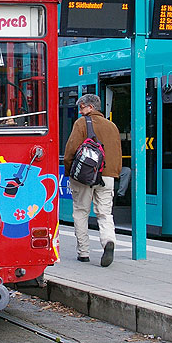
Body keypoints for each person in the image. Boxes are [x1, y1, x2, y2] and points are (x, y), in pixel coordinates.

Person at [63, 93, 122, 267]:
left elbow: (70, 150)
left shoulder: (81, 123)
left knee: (81, 212)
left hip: (85, 176)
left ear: (91, 107)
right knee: (104, 213)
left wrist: (69, 172)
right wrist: (113, 174)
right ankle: (108, 241)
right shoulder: (112, 126)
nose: (80, 112)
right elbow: (117, 153)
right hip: (108, 176)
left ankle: (83, 252)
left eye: (82, 108)